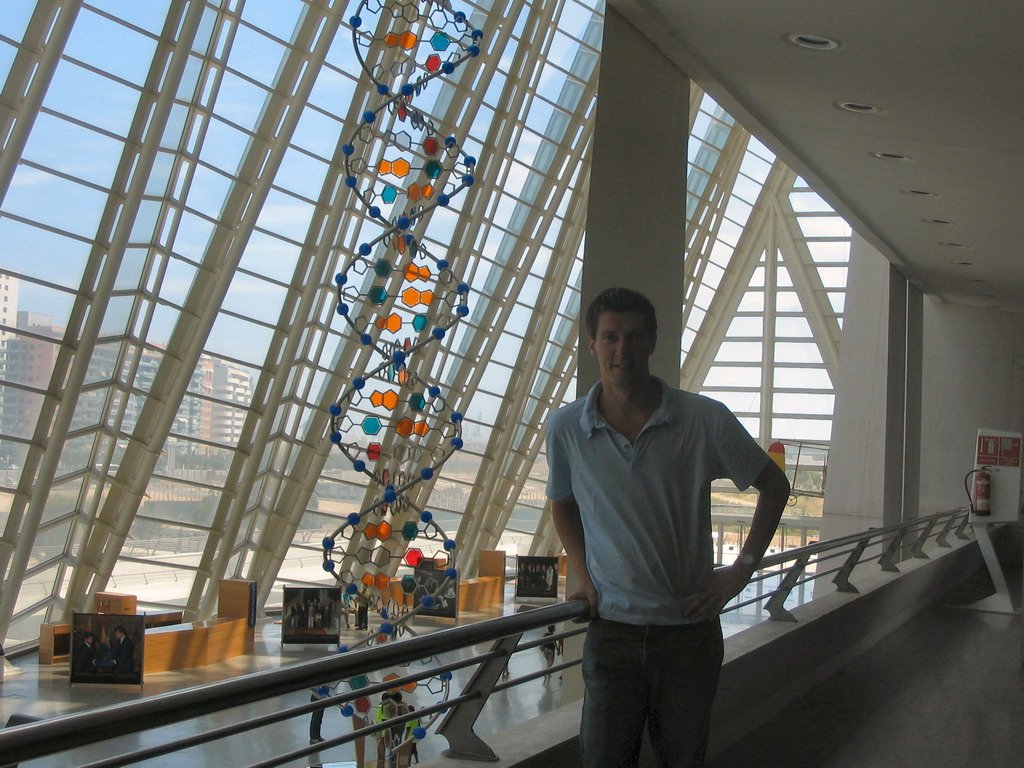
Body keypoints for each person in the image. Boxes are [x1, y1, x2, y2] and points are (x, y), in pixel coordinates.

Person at [546, 287, 790, 767]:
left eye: (635, 336)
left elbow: (774, 487)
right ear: (591, 344)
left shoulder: (703, 419)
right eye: (611, 336)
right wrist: (584, 575)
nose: (623, 350)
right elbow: (563, 503)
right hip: (611, 632)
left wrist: (740, 570)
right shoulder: (567, 428)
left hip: (688, 636)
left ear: (652, 342)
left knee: (682, 760)